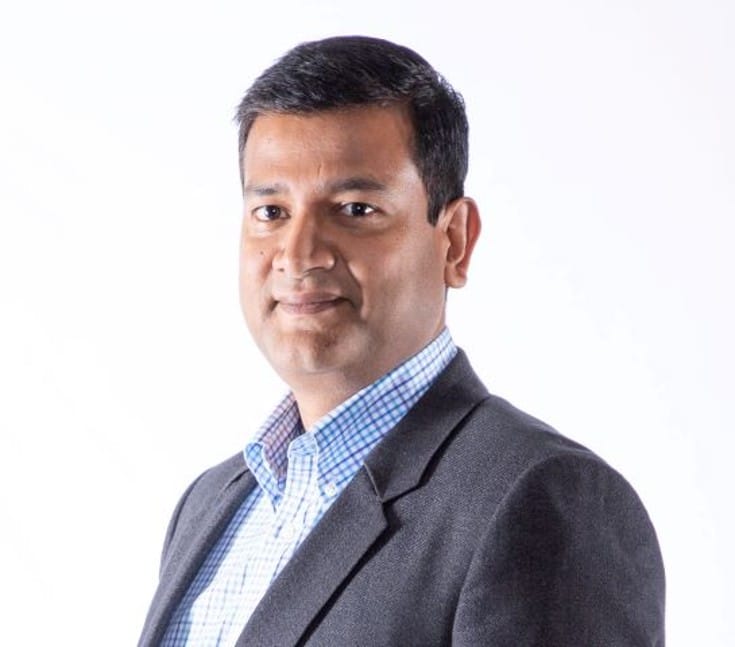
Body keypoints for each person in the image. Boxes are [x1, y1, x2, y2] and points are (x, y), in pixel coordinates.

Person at [138, 36, 665, 646]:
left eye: (355, 209)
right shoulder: (209, 505)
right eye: (271, 212)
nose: (298, 255)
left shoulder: (545, 501)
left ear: (455, 241)